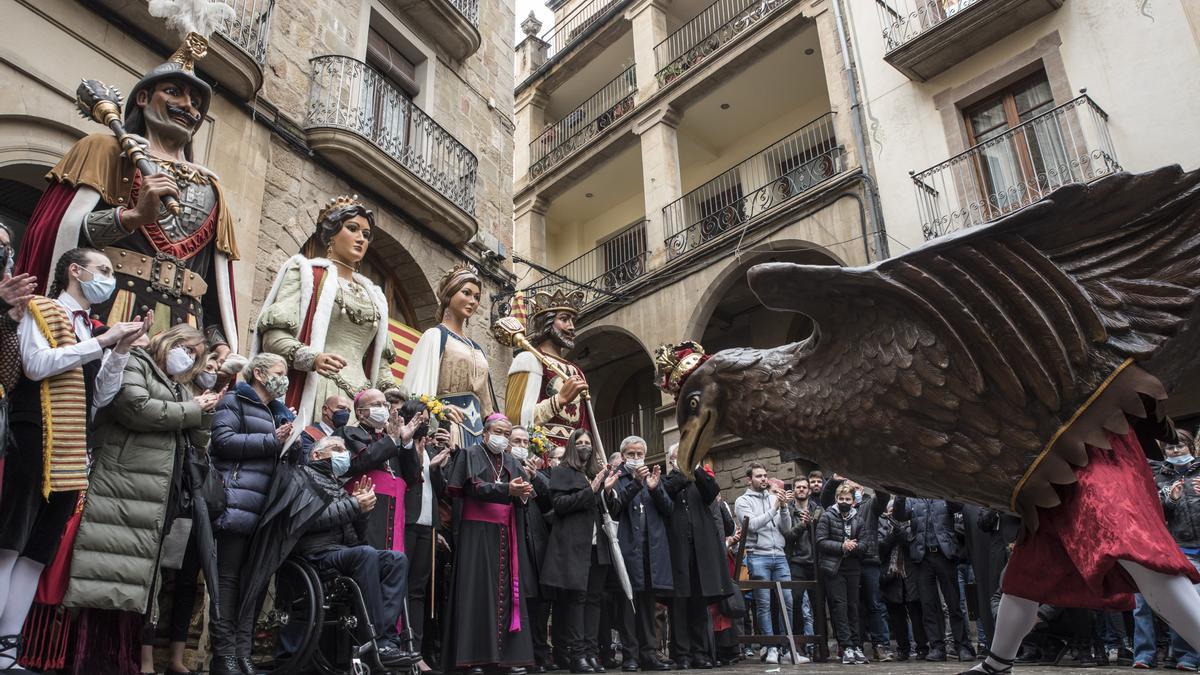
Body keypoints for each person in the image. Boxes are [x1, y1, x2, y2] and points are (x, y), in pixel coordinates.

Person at [15, 42, 239, 355]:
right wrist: (132, 217)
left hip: (184, 332)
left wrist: (220, 342)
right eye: (175, 92)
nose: (189, 106)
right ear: (144, 98)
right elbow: (64, 236)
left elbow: (213, 288)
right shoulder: (105, 150)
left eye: (196, 102)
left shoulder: (212, 186)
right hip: (112, 311)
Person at [0, 247, 149, 669]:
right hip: (35, 433)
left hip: (72, 447)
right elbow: (34, 365)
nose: (109, 278)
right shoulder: (42, 309)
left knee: (37, 551)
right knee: (11, 541)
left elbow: (99, 398)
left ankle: (7, 649)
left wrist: (118, 351)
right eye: (102, 269)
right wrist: (100, 341)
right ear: (75, 271)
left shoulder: (92, 328)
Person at [61, 324, 219, 673]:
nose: (189, 357)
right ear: (168, 339)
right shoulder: (136, 362)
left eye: (195, 355)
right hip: (124, 484)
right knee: (109, 572)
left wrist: (204, 411)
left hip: (156, 495)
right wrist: (193, 408)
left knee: (138, 582)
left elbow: (197, 440)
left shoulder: (180, 388)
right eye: (185, 348)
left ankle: (127, 660)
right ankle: (92, 659)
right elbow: (135, 407)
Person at [253, 195, 394, 435]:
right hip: (318, 388)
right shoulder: (307, 274)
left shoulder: (375, 296)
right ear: (332, 233)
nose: (361, 238)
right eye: (352, 229)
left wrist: (390, 390)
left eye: (366, 234)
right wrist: (313, 358)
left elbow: (379, 360)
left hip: (364, 403)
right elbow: (273, 338)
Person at [208, 352, 295, 675]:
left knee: (253, 583)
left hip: (264, 509)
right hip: (236, 501)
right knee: (228, 582)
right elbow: (223, 441)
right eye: (279, 371)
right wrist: (271, 440)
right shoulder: (234, 401)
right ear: (258, 373)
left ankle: (243, 652)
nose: (284, 378)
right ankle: (224, 654)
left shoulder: (278, 412)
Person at [295, 435, 414, 665]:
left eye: (344, 449)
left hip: (341, 550)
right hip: (316, 552)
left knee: (395, 559)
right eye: (336, 449)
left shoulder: (336, 483)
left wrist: (362, 512)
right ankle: (375, 640)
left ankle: (388, 640)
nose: (344, 454)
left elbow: (354, 534)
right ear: (316, 455)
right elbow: (309, 520)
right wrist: (353, 505)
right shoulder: (302, 477)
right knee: (365, 553)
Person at [442, 413, 536, 675]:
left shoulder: (512, 461)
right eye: (498, 432)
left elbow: (525, 495)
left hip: (506, 533)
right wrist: (506, 490)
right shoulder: (471, 453)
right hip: (477, 533)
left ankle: (505, 659)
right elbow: (471, 488)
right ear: (484, 433)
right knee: (478, 592)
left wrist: (523, 492)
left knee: (506, 593)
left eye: (507, 434)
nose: (502, 438)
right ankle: (474, 658)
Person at [542, 429, 621, 674]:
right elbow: (561, 505)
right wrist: (592, 490)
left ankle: (590, 651)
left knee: (594, 600)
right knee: (577, 599)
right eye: (581, 442)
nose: (585, 446)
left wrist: (606, 491)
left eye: (588, 442)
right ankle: (576, 655)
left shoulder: (594, 473)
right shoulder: (561, 472)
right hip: (575, 546)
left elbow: (613, 511)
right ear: (572, 446)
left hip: (599, 547)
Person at [395, 398, 455, 671]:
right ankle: (395, 648)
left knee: (418, 590)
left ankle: (415, 651)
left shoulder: (431, 449)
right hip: (403, 524)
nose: (425, 420)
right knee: (398, 587)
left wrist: (436, 468)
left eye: (427, 416)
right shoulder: (400, 443)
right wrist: (412, 448)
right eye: (420, 416)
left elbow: (440, 491)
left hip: (427, 526)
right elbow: (407, 479)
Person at [404, 265, 493, 447]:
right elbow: (416, 391)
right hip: (447, 430)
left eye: (476, 297)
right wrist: (439, 410)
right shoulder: (435, 336)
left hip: (477, 436)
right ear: (449, 295)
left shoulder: (477, 348)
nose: (473, 301)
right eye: (466, 293)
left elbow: (486, 403)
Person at [661, 444, 733, 669]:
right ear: (672, 460)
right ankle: (681, 653)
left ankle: (700, 652)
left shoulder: (700, 480)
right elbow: (668, 492)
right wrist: (683, 471)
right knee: (680, 604)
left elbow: (712, 492)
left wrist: (697, 468)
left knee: (699, 602)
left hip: (701, 551)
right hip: (677, 552)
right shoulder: (666, 480)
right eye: (680, 457)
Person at [613, 436, 673, 672]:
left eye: (639, 454)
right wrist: (635, 484)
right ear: (623, 455)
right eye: (631, 454)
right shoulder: (617, 477)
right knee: (629, 605)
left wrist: (655, 488)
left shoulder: (654, 478)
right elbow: (614, 507)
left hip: (651, 551)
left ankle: (649, 654)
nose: (636, 458)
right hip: (627, 550)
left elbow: (668, 509)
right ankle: (630, 655)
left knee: (649, 605)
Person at [339, 389, 424, 555]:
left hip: (395, 508)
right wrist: (391, 440)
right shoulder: (348, 433)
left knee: (393, 561)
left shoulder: (395, 439)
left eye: (385, 405)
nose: (383, 408)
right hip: (366, 508)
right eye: (377, 405)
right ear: (360, 413)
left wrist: (406, 443)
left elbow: (413, 477)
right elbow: (357, 463)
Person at [504, 289, 590, 449]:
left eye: (572, 320)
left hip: (573, 456)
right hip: (541, 452)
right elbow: (516, 419)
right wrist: (559, 400)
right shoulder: (528, 359)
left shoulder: (576, 371)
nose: (571, 327)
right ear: (547, 323)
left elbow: (585, 422)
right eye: (564, 319)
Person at [820, 476, 892, 662]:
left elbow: (865, 541)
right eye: (842, 497)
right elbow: (821, 540)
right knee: (843, 607)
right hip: (838, 566)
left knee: (869, 605)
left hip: (863, 563)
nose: (845, 501)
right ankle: (849, 646)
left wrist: (877, 477)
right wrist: (842, 546)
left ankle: (876, 646)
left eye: (853, 492)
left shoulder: (866, 509)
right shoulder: (829, 514)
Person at [893, 497, 973, 662]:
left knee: (954, 604)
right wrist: (899, 495)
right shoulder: (912, 498)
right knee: (928, 605)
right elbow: (899, 515)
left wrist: (944, 489)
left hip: (945, 555)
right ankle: (937, 647)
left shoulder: (941, 494)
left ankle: (962, 646)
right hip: (922, 557)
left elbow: (958, 505)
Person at [734, 463, 795, 665]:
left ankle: (787, 648)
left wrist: (784, 509)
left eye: (765, 475)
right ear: (749, 479)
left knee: (787, 600)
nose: (763, 479)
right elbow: (750, 526)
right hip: (758, 555)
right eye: (759, 476)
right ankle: (769, 647)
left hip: (779, 554)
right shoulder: (742, 501)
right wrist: (774, 508)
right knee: (763, 604)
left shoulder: (773, 498)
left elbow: (786, 529)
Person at [1156, 430, 1200, 670]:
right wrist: (1170, 499)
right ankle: (1186, 656)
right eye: (1170, 448)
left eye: (1180, 447)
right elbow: (1157, 513)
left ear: (1190, 447)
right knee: (1185, 605)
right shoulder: (1161, 477)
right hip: (1182, 548)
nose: (1176, 451)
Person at [783, 475, 821, 646]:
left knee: (818, 603)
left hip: (815, 562)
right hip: (796, 562)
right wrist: (803, 525)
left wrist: (813, 522)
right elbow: (788, 536)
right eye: (798, 487)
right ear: (794, 489)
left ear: (809, 490)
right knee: (796, 601)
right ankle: (799, 645)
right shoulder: (788, 511)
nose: (801, 489)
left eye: (804, 487)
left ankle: (821, 647)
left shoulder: (818, 510)